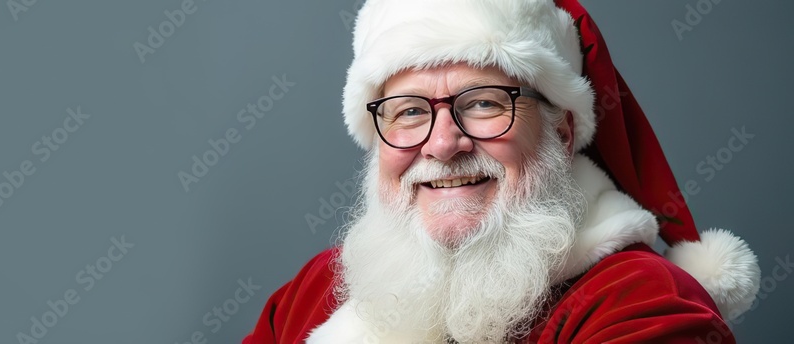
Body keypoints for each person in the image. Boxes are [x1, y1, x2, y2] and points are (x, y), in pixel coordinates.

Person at [244, 0, 761, 343]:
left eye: (485, 103)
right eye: (408, 111)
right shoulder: (314, 289)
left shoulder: (643, 302)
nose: (443, 144)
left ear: (560, 130)